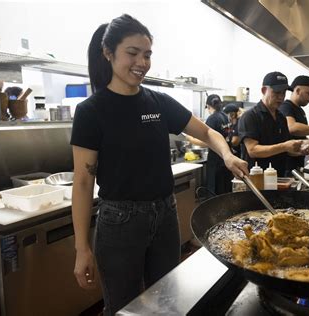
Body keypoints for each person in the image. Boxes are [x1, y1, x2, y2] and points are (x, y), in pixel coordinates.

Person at [70, 14, 248, 315]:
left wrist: (227, 154)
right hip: (119, 223)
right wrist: (81, 248)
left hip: (165, 215)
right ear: (109, 53)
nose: (142, 62)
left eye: (147, 54)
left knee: (167, 302)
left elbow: (206, 131)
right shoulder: (91, 111)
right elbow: (83, 182)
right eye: (133, 53)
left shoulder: (158, 102)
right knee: (123, 307)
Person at [237, 71, 309, 176]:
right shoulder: (250, 116)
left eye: (283, 92)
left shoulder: (281, 117)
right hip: (257, 179)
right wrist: (285, 146)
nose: (281, 97)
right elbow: (253, 150)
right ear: (264, 90)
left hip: (279, 177)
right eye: (277, 92)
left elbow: (284, 148)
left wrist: (299, 151)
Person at [185, 94, 233, 194]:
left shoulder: (212, 118)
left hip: (216, 161)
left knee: (215, 192)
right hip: (226, 159)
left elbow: (206, 142)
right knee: (224, 192)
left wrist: (190, 139)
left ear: (208, 106)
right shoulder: (225, 116)